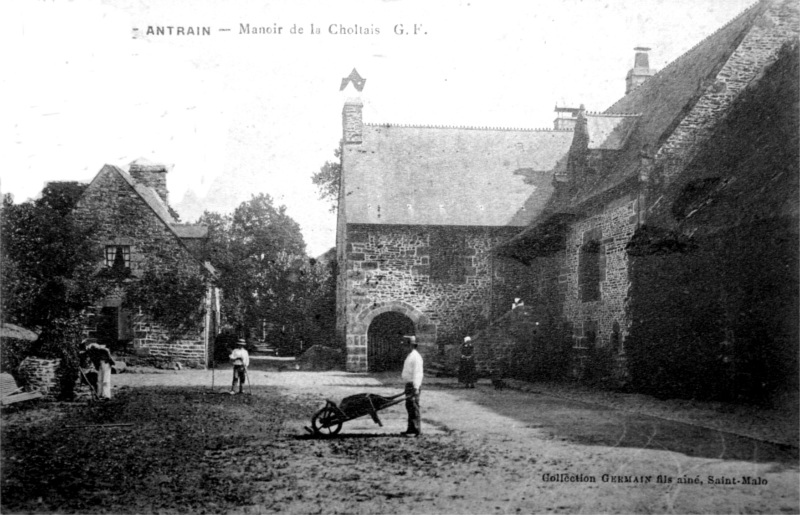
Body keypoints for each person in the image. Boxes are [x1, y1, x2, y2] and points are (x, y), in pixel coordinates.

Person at [400, 335, 423, 436]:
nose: (404, 348)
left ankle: (417, 429)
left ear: (411, 346)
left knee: (414, 406)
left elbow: (418, 373)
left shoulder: (415, 357)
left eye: (405, 345)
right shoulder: (410, 355)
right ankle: (411, 428)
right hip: (409, 384)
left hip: (413, 385)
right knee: (409, 406)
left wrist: (416, 387)